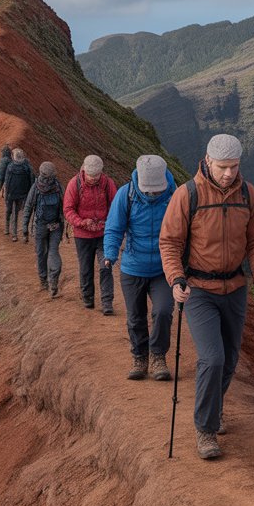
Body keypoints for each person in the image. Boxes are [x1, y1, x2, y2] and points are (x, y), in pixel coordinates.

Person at [159, 134, 254, 460]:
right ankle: (205, 430)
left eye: (234, 166)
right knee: (212, 358)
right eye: (223, 167)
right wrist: (176, 278)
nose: (228, 173)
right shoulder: (188, 195)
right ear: (208, 161)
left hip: (235, 288)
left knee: (231, 359)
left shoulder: (248, 195)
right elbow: (169, 242)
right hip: (198, 291)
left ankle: (215, 405)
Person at [103, 155, 177, 381]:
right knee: (136, 317)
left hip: (164, 269)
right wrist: (110, 254)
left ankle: (157, 356)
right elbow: (114, 227)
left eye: (156, 190)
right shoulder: (127, 194)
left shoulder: (176, 197)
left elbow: (186, 230)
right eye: (149, 190)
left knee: (163, 312)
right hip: (133, 267)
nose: (152, 193)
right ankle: (139, 357)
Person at [63, 154, 118, 313]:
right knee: (86, 268)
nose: (93, 179)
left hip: (103, 234)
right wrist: (81, 222)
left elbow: (115, 207)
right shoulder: (74, 184)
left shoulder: (108, 184)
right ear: (84, 170)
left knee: (105, 266)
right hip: (83, 235)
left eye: (96, 175)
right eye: (90, 175)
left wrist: (110, 223)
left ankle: (107, 302)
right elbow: (68, 209)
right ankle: (88, 298)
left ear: (101, 172)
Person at [23, 161, 65, 297]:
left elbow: (28, 207)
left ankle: (43, 281)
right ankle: (53, 281)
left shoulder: (36, 187)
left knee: (41, 253)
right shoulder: (58, 186)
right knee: (53, 251)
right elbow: (65, 205)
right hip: (56, 225)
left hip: (40, 226)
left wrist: (24, 227)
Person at [2, 148, 34, 240]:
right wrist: (29, 194)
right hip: (23, 194)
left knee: (10, 211)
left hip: (11, 194)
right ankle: (20, 234)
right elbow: (31, 181)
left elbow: (7, 182)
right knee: (18, 212)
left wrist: (6, 195)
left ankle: (9, 230)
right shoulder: (27, 167)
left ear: (13, 157)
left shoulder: (10, 167)